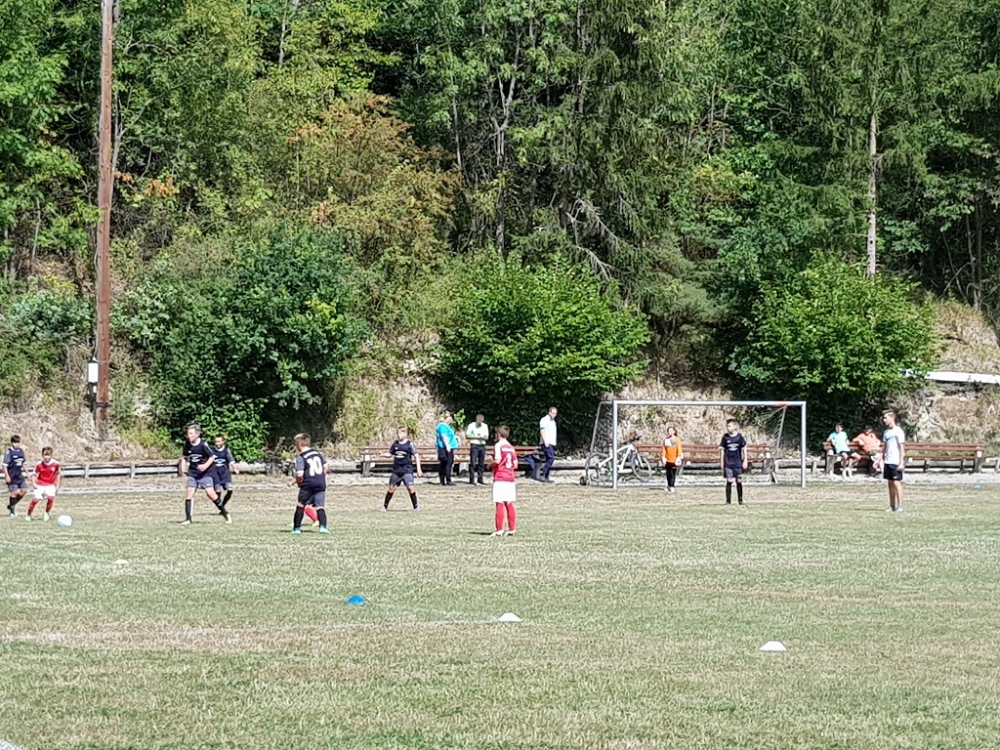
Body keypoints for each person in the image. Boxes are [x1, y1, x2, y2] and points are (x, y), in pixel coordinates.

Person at [180, 423, 226, 525]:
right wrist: (183, 466)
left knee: (210, 494)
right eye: (188, 433)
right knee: (189, 493)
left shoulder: (203, 445)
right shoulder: (187, 444)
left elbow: (212, 457)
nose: (189, 436)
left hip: (205, 474)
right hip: (193, 473)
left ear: (197, 434)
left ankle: (224, 512)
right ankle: (188, 519)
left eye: (191, 433)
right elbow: (184, 457)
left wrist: (205, 466)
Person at [292, 432, 329, 534]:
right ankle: (323, 527)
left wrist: (299, 483)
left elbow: (300, 474)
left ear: (299, 444)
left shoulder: (301, 457)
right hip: (320, 482)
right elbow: (326, 467)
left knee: (301, 504)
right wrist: (321, 476)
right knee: (320, 506)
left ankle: (296, 528)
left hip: (308, 483)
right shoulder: (317, 453)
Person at [382, 426, 423, 512]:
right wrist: (383, 454)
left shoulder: (409, 445)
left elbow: (416, 456)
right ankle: (385, 507)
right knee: (391, 489)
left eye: (400, 433)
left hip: (407, 470)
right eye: (398, 433)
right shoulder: (395, 444)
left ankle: (416, 507)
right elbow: (390, 454)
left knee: (410, 488)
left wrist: (419, 469)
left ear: (405, 434)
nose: (398, 435)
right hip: (397, 470)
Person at [489, 425, 518, 536]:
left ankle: (499, 530)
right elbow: (515, 464)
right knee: (509, 503)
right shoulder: (511, 447)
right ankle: (512, 529)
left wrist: (490, 464)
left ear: (498, 434)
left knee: (500, 502)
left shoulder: (498, 445)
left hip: (500, 476)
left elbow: (497, 460)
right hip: (510, 477)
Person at [26, 446, 60, 521]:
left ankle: (46, 513)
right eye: (45, 455)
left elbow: (58, 474)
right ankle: (28, 514)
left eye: (48, 455)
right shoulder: (39, 464)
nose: (47, 457)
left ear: (51, 455)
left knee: (50, 498)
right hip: (40, 484)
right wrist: (33, 483)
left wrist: (57, 485)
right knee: (35, 500)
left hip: (50, 484)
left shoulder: (56, 464)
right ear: (42, 455)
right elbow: (34, 474)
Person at [211, 434, 240, 522]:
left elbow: (231, 461)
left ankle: (222, 505)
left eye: (219, 441)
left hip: (225, 474)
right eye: (216, 441)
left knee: (230, 490)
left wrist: (235, 468)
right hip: (215, 474)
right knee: (217, 492)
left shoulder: (226, 450)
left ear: (223, 442)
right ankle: (221, 508)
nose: (217, 443)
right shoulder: (211, 450)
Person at [882, 410, 906, 512]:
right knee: (890, 484)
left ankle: (900, 506)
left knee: (897, 483)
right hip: (888, 461)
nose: (884, 420)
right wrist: (880, 458)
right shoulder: (886, 432)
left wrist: (901, 462)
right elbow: (885, 447)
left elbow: (902, 448)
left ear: (892, 418)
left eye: (886, 418)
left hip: (896, 461)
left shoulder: (898, 431)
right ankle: (892, 506)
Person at [719, 418, 748, 505]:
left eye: (729, 426)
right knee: (729, 480)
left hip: (737, 463)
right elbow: (722, 450)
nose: (728, 428)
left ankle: (740, 500)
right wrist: (722, 462)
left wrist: (745, 460)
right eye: (727, 426)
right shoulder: (725, 437)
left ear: (735, 427)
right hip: (728, 463)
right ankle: (728, 501)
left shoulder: (739, 437)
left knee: (739, 480)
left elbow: (744, 448)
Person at [3, 435, 28, 517]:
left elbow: (23, 463)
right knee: (14, 492)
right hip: (12, 476)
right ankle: (12, 511)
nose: (16, 444)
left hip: (19, 476)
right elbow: (5, 465)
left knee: (24, 491)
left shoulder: (21, 451)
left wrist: (28, 473)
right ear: (12, 443)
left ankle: (11, 505)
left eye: (18, 442)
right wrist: (7, 476)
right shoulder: (9, 452)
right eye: (15, 442)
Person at [465, 414, 489, 486]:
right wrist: (476, 437)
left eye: (481, 421)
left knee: (481, 463)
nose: (479, 422)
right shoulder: (471, 425)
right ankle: (472, 479)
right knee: (473, 462)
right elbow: (467, 435)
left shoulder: (485, 426)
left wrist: (482, 438)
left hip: (482, 445)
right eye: (478, 421)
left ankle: (480, 479)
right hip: (474, 445)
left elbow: (487, 437)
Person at [435, 412, 457, 486]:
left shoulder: (447, 426)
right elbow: (444, 436)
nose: (452, 419)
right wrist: (447, 446)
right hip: (445, 447)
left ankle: (445, 480)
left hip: (448, 446)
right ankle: (446, 480)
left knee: (447, 463)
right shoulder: (442, 426)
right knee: (446, 463)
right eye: (450, 417)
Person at [661, 426, 683, 493]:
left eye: (671, 431)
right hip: (668, 459)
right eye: (668, 431)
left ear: (674, 431)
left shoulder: (677, 439)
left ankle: (672, 486)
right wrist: (663, 456)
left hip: (674, 459)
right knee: (668, 473)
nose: (669, 432)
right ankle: (668, 485)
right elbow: (664, 449)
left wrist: (678, 457)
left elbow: (679, 448)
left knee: (673, 473)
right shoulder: (666, 440)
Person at [538, 406, 558, 482]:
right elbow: (542, 431)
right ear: (549, 412)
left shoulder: (553, 421)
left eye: (555, 413)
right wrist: (545, 441)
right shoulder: (544, 420)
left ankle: (546, 477)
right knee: (551, 458)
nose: (554, 415)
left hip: (552, 443)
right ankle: (542, 473)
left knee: (549, 459)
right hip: (546, 442)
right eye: (553, 413)